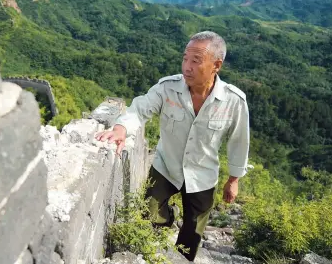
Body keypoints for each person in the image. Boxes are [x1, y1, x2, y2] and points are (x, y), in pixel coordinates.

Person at [95, 31, 250, 262]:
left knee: (191, 239)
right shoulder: (168, 88)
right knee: (150, 214)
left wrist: (234, 179)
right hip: (166, 167)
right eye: (185, 58)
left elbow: (239, 141)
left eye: (196, 61)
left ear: (216, 65)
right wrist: (121, 128)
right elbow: (140, 108)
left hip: (203, 174)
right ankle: (163, 226)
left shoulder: (233, 102)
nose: (187, 66)